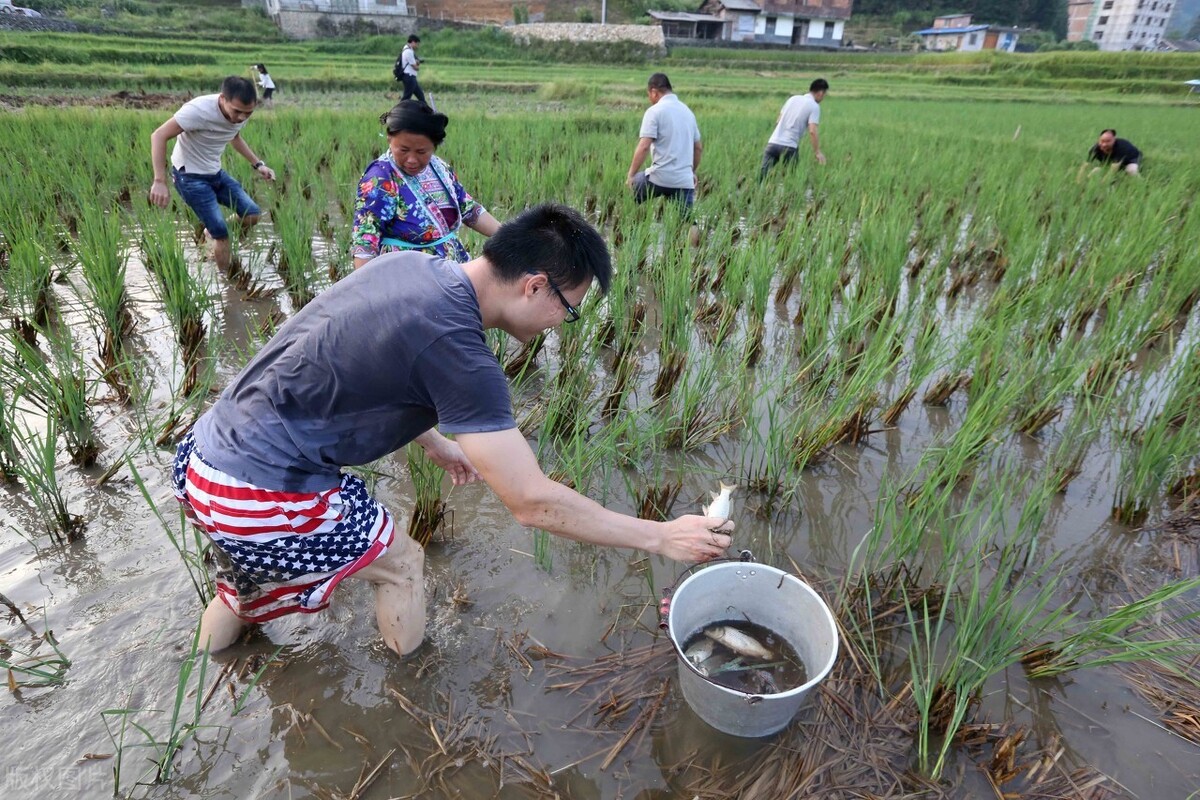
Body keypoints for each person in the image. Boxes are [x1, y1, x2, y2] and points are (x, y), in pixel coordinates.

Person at [172, 204, 734, 654]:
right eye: (571, 308)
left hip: (204, 459)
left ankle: (198, 682)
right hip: (262, 493)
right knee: (403, 565)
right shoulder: (461, 351)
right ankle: (412, 688)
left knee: (244, 586)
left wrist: (435, 443)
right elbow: (532, 503)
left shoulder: (411, 266)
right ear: (535, 286)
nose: (563, 325)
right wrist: (659, 536)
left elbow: (355, 358)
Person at [351, 101, 500, 268]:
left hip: (450, 268)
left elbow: (468, 208)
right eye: (403, 150)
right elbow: (365, 237)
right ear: (389, 139)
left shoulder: (439, 168)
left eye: (422, 152)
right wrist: (365, 288)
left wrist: (510, 236)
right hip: (405, 273)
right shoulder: (381, 177)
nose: (412, 160)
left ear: (434, 147)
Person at [149, 76, 275, 273]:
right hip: (189, 177)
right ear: (223, 99)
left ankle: (211, 232)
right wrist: (159, 180)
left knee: (252, 214)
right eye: (237, 112)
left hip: (215, 173)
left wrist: (258, 164)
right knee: (222, 235)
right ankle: (227, 283)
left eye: (248, 113)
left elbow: (234, 137)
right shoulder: (198, 110)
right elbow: (158, 135)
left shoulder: (238, 115)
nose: (242, 118)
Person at [625, 73, 702, 213]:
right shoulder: (688, 112)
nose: (649, 99)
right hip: (683, 180)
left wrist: (631, 175)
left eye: (649, 94)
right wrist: (691, 172)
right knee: (688, 221)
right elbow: (698, 148)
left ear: (654, 92)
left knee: (630, 199)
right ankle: (691, 232)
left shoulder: (654, 111)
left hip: (658, 178)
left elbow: (643, 147)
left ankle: (631, 227)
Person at [760, 78, 828, 180]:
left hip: (772, 144)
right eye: (824, 94)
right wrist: (817, 152)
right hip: (789, 148)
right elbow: (812, 131)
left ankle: (758, 194)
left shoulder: (792, 99)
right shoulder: (814, 106)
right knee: (790, 182)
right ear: (820, 93)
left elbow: (778, 121)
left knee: (762, 178)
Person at [396, 34, 425, 105]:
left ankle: (427, 113)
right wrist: (418, 64)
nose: (417, 46)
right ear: (413, 42)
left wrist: (415, 62)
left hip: (411, 77)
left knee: (421, 97)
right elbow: (415, 67)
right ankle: (397, 112)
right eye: (417, 44)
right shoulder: (408, 52)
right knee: (406, 98)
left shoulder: (406, 49)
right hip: (409, 77)